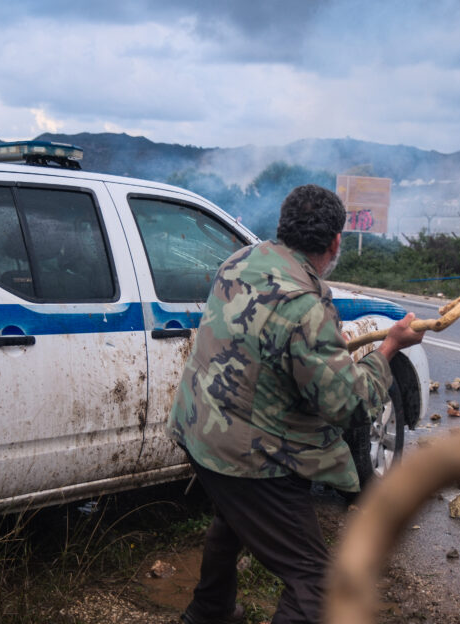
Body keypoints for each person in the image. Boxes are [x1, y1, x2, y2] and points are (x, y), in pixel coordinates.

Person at [166, 184, 424, 624]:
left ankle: (209, 613)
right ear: (335, 242)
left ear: (283, 226)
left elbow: (265, 350)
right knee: (316, 583)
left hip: (197, 428)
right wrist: (389, 348)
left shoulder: (240, 260)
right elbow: (349, 405)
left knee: (232, 519)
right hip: (249, 456)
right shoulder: (306, 305)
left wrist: (325, 348)